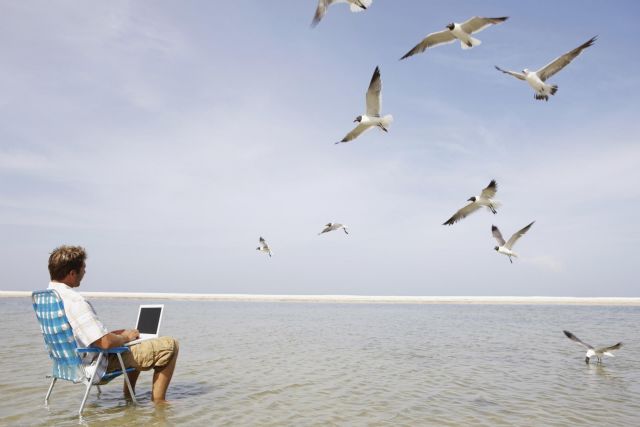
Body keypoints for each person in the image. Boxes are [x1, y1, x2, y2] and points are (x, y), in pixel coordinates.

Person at [47, 245, 179, 403]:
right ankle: (159, 403)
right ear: (72, 273)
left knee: (134, 342)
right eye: (83, 268)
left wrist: (118, 335)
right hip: (95, 365)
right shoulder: (74, 300)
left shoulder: (50, 298)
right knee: (170, 345)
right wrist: (124, 337)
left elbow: (83, 335)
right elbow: (105, 343)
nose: (85, 272)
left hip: (68, 365)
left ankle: (129, 395)